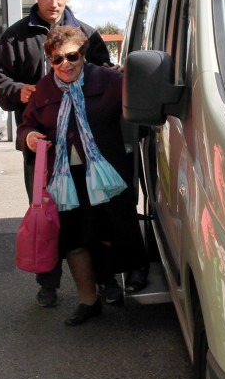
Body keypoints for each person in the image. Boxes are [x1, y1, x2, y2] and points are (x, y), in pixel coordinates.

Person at [0, 0, 139, 309]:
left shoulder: (87, 34)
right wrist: (19, 91)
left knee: (97, 219)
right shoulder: (15, 38)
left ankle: (106, 280)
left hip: (90, 153)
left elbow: (108, 75)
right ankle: (48, 282)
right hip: (43, 152)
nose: (53, 2)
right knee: (47, 216)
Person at [17, 26, 148, 326]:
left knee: (108, 233)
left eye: (72, 56)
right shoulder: (44, 91)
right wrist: (29, 138)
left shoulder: (110, 80)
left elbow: (142, 97)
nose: (65, 64)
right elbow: (26, 126)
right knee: (74, 240)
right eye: (57, 59)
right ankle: (88, 302)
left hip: (105, 174)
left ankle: (114, 282)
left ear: (83, 55)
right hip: (65, 178)